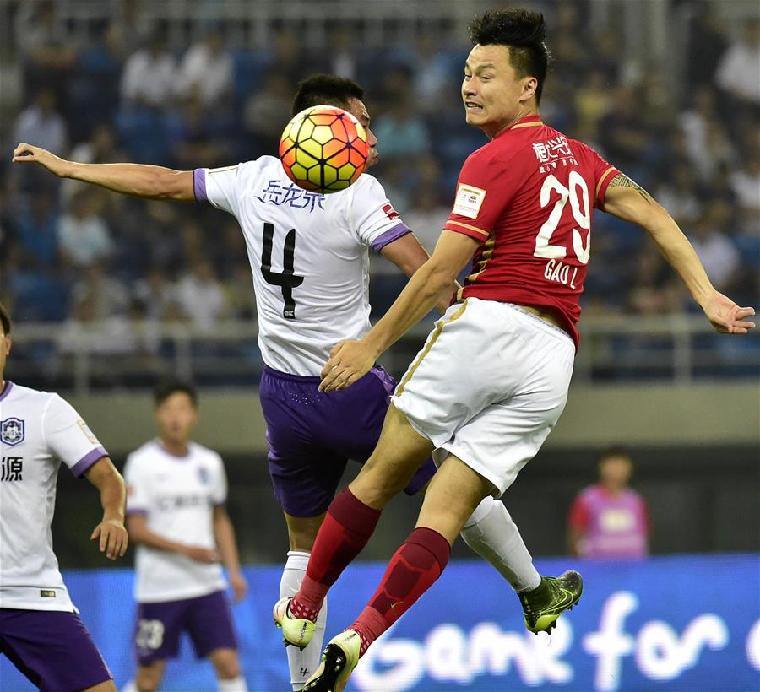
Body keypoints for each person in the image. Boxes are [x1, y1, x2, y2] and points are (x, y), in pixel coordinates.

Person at [11, 74, 647, 691]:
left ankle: (303, 686)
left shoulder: (254, 177)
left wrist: (72, 170)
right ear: (325, 125)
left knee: (302, 546)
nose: (370, 132)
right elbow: (421, 269)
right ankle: (533, 590)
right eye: (360, 120)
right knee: (456, 486)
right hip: (348, 386)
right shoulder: (357, 192)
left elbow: (161, 181)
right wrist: (464, 296)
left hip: (280, 395)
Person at [272, 10, 756, 691]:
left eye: (486, 75)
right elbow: (652, 211)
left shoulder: (493, 157)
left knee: (379, 476)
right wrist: (705, 294)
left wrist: (369, 343)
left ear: (527, 87)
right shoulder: (582, 159)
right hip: (552, 361)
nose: (469, 87)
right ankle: (361, 635)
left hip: (489, 326)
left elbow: (438, 275)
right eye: (467, 74)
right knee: (446, 515)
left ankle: (303, 609)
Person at [0, 301, 128, 691]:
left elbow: (108, 477)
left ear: (7, 344)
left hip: (31, 593)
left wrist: (113, 516)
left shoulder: (44, 410)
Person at [123, 379, 247, 692]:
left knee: (229, 664)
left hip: (206, 585)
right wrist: (188, 550)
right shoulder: (141, 463)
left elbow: (220, 519)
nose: (175, 417)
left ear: (194, 415)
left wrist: (233, 571)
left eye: (182, 409)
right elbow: (136, 529)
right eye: (168, 410)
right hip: (159, 589)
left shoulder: (209, 463)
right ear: (157, 414)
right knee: (149, 679)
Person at [567, 447, 650, 558]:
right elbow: (575, 536)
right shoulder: (587, 499)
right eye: (612, 464)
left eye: (621, 464)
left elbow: (643, 536)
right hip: (596, 565)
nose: (616, 469)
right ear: (601, 466)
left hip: (633, 565)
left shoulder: (636, 500)